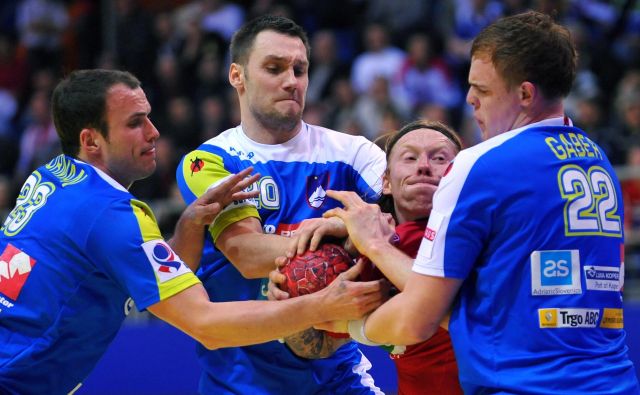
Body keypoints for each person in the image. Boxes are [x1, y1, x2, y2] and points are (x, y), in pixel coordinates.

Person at [0, 69, 384, 394]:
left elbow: (145, 276)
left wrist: (189, 224)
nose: (153, 132)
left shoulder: (52, 175)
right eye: (135, 123)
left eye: (148, 116)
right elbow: (206, 325)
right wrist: (323, 306)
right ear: (90, 140)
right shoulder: (111, 215)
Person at [323, 11, 640, 394]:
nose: (470, 100)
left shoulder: (481, 164)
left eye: (483, 90)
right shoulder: (597, 157)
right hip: (614, 380)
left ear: (525, 93)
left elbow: (417, 318)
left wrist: (350, 315)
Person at [175, 15, 387, 395]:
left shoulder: (354, 153)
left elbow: (399, 227)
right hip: (242, 381)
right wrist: (355, 236)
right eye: (274, 68)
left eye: (300, 69)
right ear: (237, 76)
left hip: (340, 376)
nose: (291, 81)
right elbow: (247, 252)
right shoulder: (209, 161)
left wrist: (362, 229)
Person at [271, 120, 465, 395]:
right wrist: (290, 292)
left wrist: (360, 240)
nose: (423, 165)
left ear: (462, 177)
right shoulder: (370, 252)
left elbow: (435, 309)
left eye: (440, 158)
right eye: (409, 158)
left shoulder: (479, 237)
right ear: (385, 181)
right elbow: (316, 344)